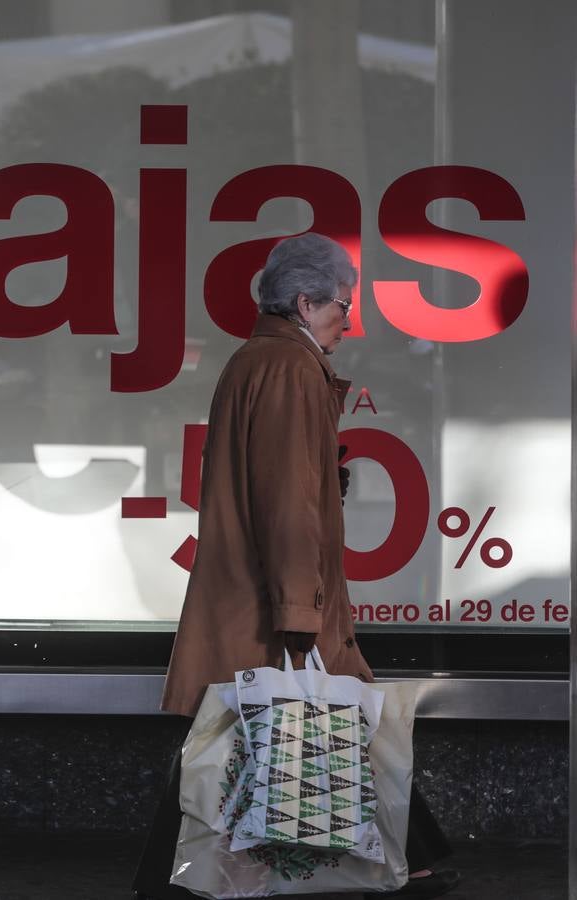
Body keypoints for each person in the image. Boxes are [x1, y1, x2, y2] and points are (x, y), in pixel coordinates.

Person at [131, 233, 458, 899]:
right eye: (342, 305)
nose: (349, 319)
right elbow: (285, 504)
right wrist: (297, 608)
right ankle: (169, 879)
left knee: (275, 723)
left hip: (256, 591)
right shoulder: (288, 369)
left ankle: (415, 856)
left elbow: (281, 483)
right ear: (305, 303)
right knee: (276, 719)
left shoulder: (261, 360)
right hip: (270, 599)